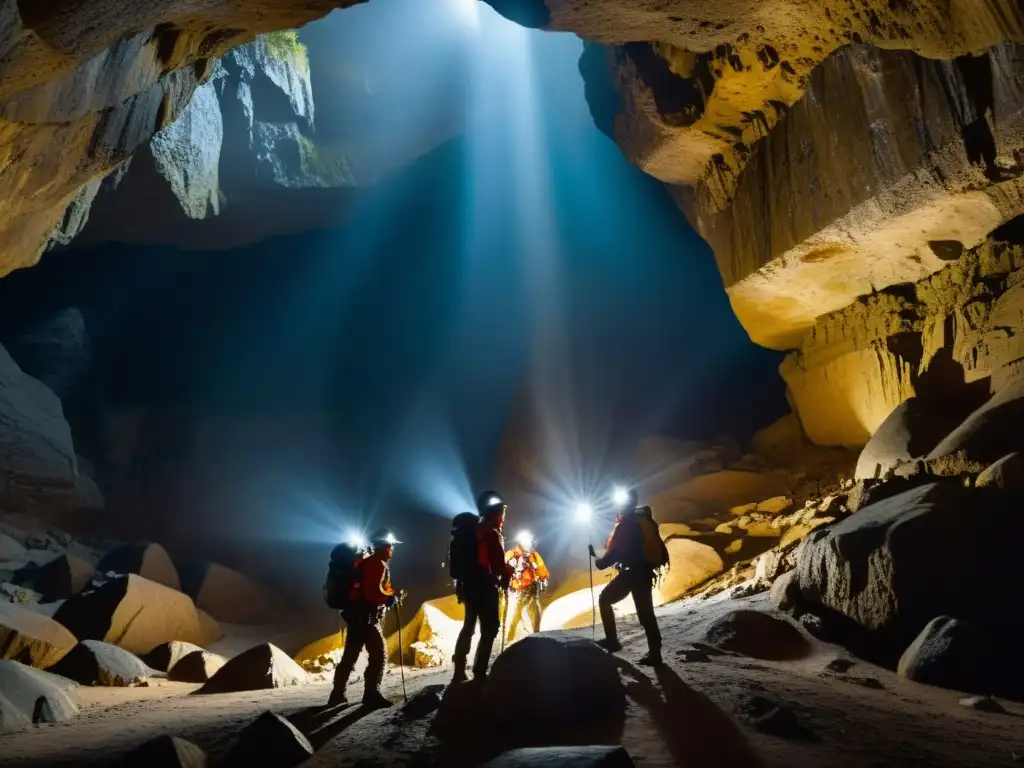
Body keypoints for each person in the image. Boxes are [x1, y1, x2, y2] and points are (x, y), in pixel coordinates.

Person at [328, 529, 403, 708]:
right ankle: (371, 695)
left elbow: (371, 589)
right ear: (384, 546)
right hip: (367, 618)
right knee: (379, 654)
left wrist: (388, 595)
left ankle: (336, 695)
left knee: (350, 656)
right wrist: (389, 598)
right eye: (391, 546)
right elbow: (371, 592)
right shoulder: (377, 563)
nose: (392, 550)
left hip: (356, 616)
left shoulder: (367, 562)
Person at [589, 488, 664, 666]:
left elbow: (616, 553)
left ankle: (613, 641)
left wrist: (600, 562)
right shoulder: (637, 522)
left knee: (605, 599)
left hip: (633, 573)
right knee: (646, 613)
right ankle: (655, 652)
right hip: (642, 572)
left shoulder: (626, 525)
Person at [451, 490, 514, 683]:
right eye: (502, 513)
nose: (503, 518)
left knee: (468, 626)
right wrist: (507, 572)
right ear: (494, 513)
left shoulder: (474, 532)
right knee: (490, 627)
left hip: (469, 586)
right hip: (486, 587)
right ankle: (479, 671)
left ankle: (459, 669)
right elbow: (497, 566)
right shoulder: (492, 534)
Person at [505, 530, 550, 642]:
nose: (527, 544)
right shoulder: (513, 554)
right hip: (519, 588)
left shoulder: (533, 555)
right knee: (518, 611)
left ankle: (536, 633)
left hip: (532, 587)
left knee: (534, 609)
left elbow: (541, 567)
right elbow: (505, 568)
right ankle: (511, 635)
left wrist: (544, 578)